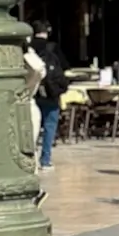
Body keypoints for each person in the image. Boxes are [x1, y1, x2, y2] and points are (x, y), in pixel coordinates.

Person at [28, 20, 69, 171]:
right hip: (51, 94)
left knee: (31, 127)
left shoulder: (27, 49)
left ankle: (31, 159)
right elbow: (64, 68)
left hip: (32, 93)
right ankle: (45, 159)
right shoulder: (52, 49)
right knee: (50, 127)